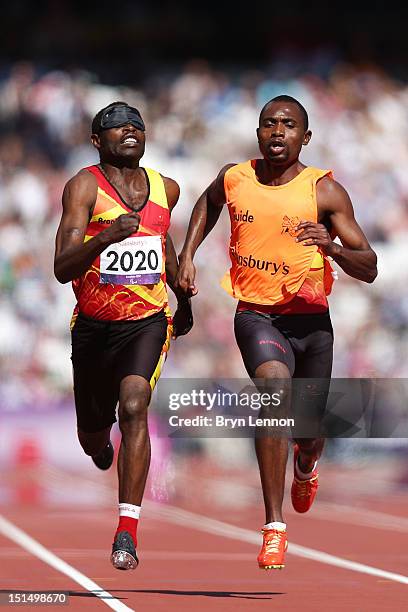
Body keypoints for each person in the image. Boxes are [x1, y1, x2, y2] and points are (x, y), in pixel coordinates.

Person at [176, 95, 377, 570]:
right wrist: (186, 255)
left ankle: (306, 465)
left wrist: (332, 248)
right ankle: (273, 526)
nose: (277, 131)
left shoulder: (325, 192)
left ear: (305, 137)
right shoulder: (235, 177)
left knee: (307, 432)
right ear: (258, 132)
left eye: (288, 125)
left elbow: (369, 266)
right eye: (269, 123)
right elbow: (207, 203)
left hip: (311, 323)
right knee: (273, 390)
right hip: (257, 316)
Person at [54, 101, 192, 570]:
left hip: (147, 321)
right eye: (116, 127)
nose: (128, 131)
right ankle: (99, 443)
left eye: (136, 125)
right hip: (93, 327)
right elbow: (61, 267)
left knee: (134, 404)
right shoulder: (83, 187)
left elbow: (162, 241)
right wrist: (106, 237)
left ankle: (127, 531)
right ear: (97, 141)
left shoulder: (165, 188)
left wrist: (183, 296)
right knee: (93, 437)